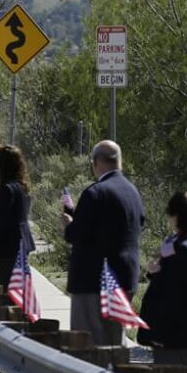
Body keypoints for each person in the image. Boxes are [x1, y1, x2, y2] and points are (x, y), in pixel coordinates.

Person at [62, 140, 146, 346]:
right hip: (124, 278)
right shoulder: (133, 192)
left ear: (96, 163)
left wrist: (69, 223)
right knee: (115, 343)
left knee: (89, 345)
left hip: (94, 281)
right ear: (120, 162)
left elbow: (76, 234)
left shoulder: (95, 193)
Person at [139, 192, 187, 373]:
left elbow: (172, 294)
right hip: (177, 335)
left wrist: (158, 336)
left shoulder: (182, 248)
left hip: (173, 336)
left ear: (177, 216)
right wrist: (156, 272)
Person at [0, 145, 33, 287]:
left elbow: (0, 223)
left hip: (6, 250)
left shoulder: (6, 189)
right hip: (19, 246)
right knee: (17, 290)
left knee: (4, 290)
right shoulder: (22, 187)